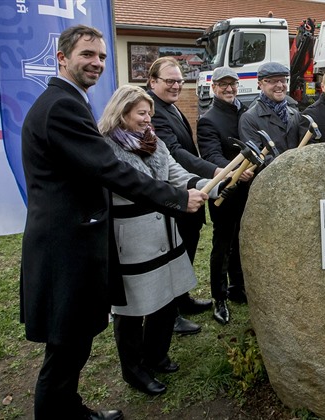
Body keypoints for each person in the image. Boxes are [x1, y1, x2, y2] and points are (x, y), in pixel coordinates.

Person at [20, 25, 207, 419]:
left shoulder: (69, 102)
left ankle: (69, 409)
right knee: (65, 347)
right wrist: (177, 198)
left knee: (73, 343)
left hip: (74, 241)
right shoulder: (63, 106)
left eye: (102, 56)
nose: (97, 62)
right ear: (62, 58)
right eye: (87, 54)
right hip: (65, 246)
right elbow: (111, 170)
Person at [98, 85, 226, 395]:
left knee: (166, 297)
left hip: (166, 234)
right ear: (122, 112)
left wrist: (208, 185)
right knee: (132, 309)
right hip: (132, 239)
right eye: (141, 113)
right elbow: (138, 186)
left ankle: (156, 354)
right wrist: (182, 197)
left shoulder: (152, 142)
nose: (147, 120)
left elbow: (175, 173)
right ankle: (134, 370)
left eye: (150, 114)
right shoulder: (105, 147)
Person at [147, 57, 215, 335]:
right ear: (152, 82)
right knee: (174, 255)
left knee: (187, 249)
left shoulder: (170, 108)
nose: (176, 86)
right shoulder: (154, 112)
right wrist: (214, 171)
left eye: (179, 81)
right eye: (170, 81)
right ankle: (170, 314)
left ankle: (182, 299)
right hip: (174, 195)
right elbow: (174, 152)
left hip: (189, 191)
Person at [197, 67, 253, 324]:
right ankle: (219, 298)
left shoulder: (246, 112)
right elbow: (211, 156)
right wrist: (236, 172)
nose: (228, 88)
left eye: (232, 84)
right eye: (223, 84)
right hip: (226, 191)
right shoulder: (208, 119)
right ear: (214, 87)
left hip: (249, 189)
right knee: (223, 243)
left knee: (241, 240)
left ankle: (238, 288)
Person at [239, 62, 306, 153]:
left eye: (283, 80)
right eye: (272, 81)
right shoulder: (249, 119)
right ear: (260, 84)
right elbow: (255, 156)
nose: (279, 85)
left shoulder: (295, 114)